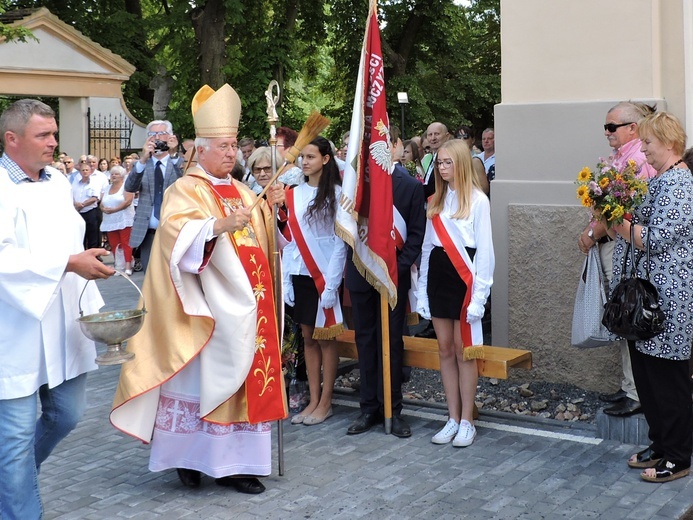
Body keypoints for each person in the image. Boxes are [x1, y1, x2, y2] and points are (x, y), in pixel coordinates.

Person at [111, 84, 287, 495]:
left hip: (247, 308)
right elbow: (174, 237)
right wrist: (215, 227)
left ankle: (238, 465)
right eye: (222, 146)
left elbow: (269, 244)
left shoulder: (245, 190)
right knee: (200, 383)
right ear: (201, 149)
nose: (230, 153)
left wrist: (274, 211)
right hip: (204, 307)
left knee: (242, 378)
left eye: (232, 147)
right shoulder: (185, 188)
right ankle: (186, 460)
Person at [0, 98, 113, 519]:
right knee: (12, 437)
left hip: (64, 320)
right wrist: (68, 263)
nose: (54, 142)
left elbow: (65, 239)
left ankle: (10, 484)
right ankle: (21, 510)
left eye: (53, 133)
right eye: (43, 135)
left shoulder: (56, 182)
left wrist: (86, 258)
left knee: (66, 414)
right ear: (12, 140)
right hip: (13, 327)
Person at [607, 112, 693, 483]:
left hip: (669, 299)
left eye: (648, 143)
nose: (643, 149)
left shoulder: (679, 183)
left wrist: (623, 226)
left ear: (669, 144)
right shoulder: (661, 180)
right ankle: (660, 444)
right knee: (647, 375)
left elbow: (657, 238)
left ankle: (678, 455)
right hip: (648, 298)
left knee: (668, 380)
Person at [577, 101, 657, 417]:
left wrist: (593, 232)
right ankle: (630, 386)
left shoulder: (636, 159)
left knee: (630, 314)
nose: (607, 132)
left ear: (632, 128)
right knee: (624, 316)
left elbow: (622, 210)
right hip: (619, 243)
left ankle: (636, 392)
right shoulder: (622, 158)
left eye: (612, 127)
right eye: (606, 127)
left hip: (627, 247)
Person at [416, 139, 494, 447]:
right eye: (439, 162)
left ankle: (466, 420)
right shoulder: (435, 199)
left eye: (448, 162)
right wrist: (421, 292)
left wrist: (480, 298)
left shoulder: (478, 201)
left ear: (461, 163)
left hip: (464, 279)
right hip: (438, 273)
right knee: (445, 350)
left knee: (464, 353)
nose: (442, 167)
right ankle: (450, 417)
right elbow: (425, 248)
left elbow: (486, 254)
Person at [345, 160, 425, 438]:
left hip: (393, 276)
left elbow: (416, 235)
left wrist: (395, 269)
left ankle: (394, 409)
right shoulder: (354, 184)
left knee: (391, 340)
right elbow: (346, 229)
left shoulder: (410, 186)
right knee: (365, 341)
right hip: (360, 271)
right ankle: (368, 408)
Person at [283, 136, 347, 426]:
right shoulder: (293, 193)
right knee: (308, 338)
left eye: (311, 157)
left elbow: (339, 242)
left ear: (325, 159)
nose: (304, 162)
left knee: (326, 339)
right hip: (300, 271)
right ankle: (312, 397)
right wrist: (286, 277)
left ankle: (327, 401)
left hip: (324, 274)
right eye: (303, 157)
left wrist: (332, 284)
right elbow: (292, 242)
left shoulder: (335, 193)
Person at [124, 120, 184, 272]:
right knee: (150, 280)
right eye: (153, 134)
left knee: (174, 278)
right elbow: (130, 187)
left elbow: (186, 184)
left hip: (173, 231)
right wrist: (143, 159)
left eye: (161, 133)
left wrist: (174, 154)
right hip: (148, 233)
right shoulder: (142, 164)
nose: (157, 138)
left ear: (170, 137)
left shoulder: (178, 161)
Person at [100, 164, 135, 274]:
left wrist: (114, 210)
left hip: (124, 218)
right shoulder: (107, 188)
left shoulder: (126, 186)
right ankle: (118, 265)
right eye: (112, 174)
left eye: (117, 174)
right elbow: (101, 202)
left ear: (122, 176)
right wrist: (103, 209)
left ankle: (128, 266)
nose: (114, 176)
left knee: (126, 243)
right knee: (114, 243)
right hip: (110, 220)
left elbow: (127, 202)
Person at [72, 160, 102, 249]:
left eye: (86, 170)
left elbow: (95, 197)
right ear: (80, 172)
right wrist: (76, 204)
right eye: (83, 170)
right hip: (78, 212)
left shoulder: (95, 182)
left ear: (90, 171)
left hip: (90, 211)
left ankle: (93, 256)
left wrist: (83, 204)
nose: (85, 172)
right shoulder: (75, 183)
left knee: (92, 235)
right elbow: (71, 195)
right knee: (81, 235)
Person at [422, 122, 450, 198]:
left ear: (447, 136)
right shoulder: (433, 156)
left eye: (437, 134)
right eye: (430, 135)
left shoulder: (451, 157)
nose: (433, 138)